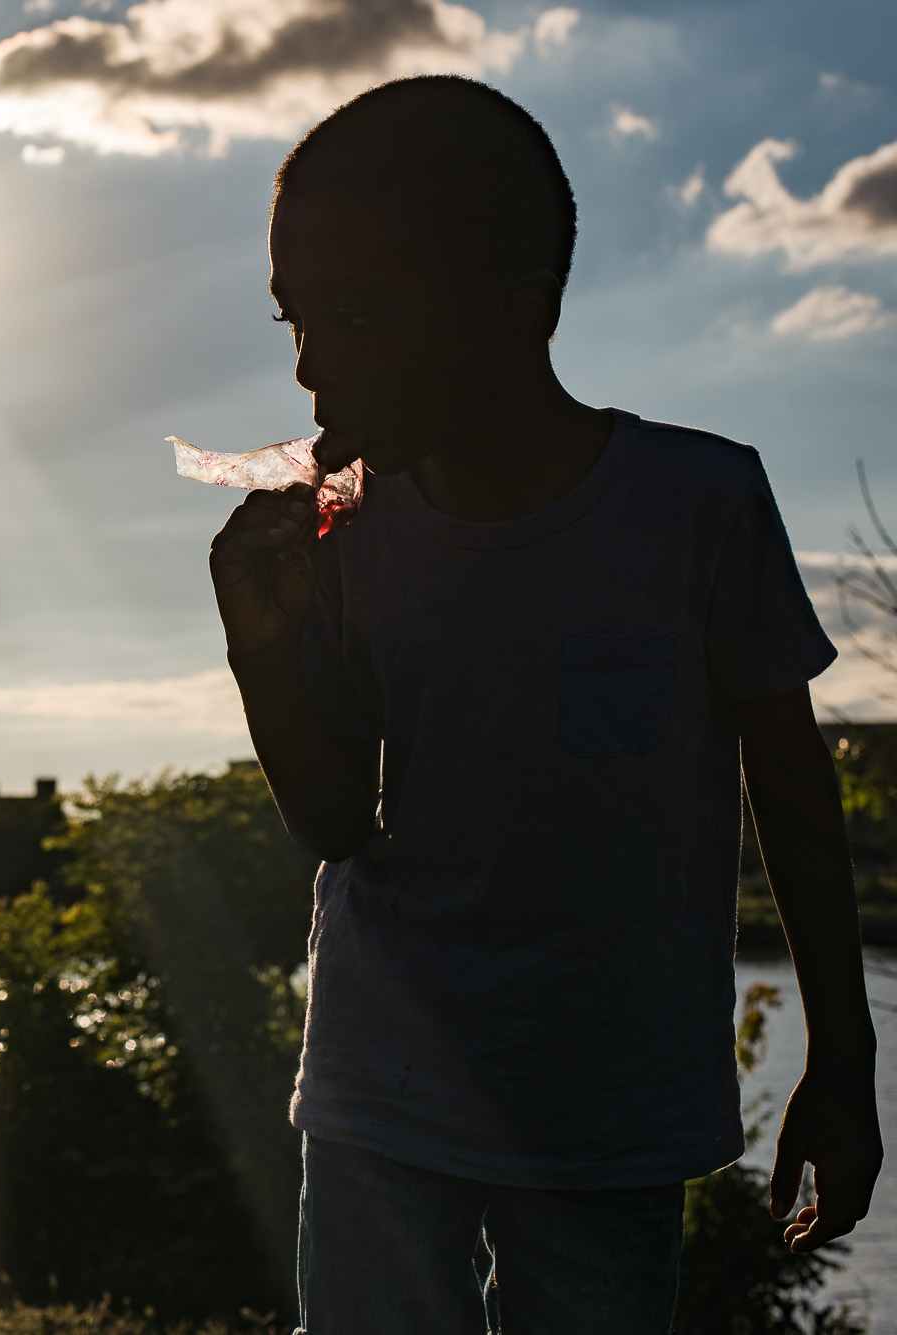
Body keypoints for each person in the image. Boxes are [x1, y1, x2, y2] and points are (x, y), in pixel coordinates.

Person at [210, 76, 881, 1331]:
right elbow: (335, 822)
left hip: (606, 1104)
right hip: (381, 1086)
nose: (308, 370)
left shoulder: (696, 506)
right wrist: (260, 650)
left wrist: (839, 1061)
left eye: (355, 315)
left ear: (518, 312)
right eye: (294, 319)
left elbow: (791, 794)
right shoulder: (345, 534)